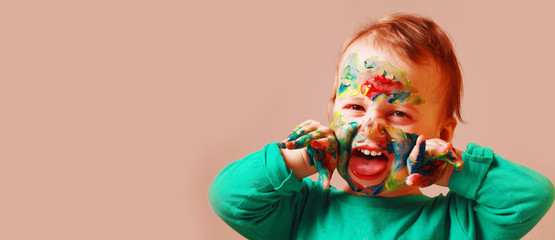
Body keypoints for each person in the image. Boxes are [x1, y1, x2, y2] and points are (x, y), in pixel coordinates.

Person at [208, 13, 554, 239]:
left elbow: (532, 196)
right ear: (332, 115)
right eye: (355, 107)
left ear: (443, 135)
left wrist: (447, 171)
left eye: (399, 114)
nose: (370, 127)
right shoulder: (301, 212)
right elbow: (229, 197)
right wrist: (300, 160)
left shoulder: (455, 224)